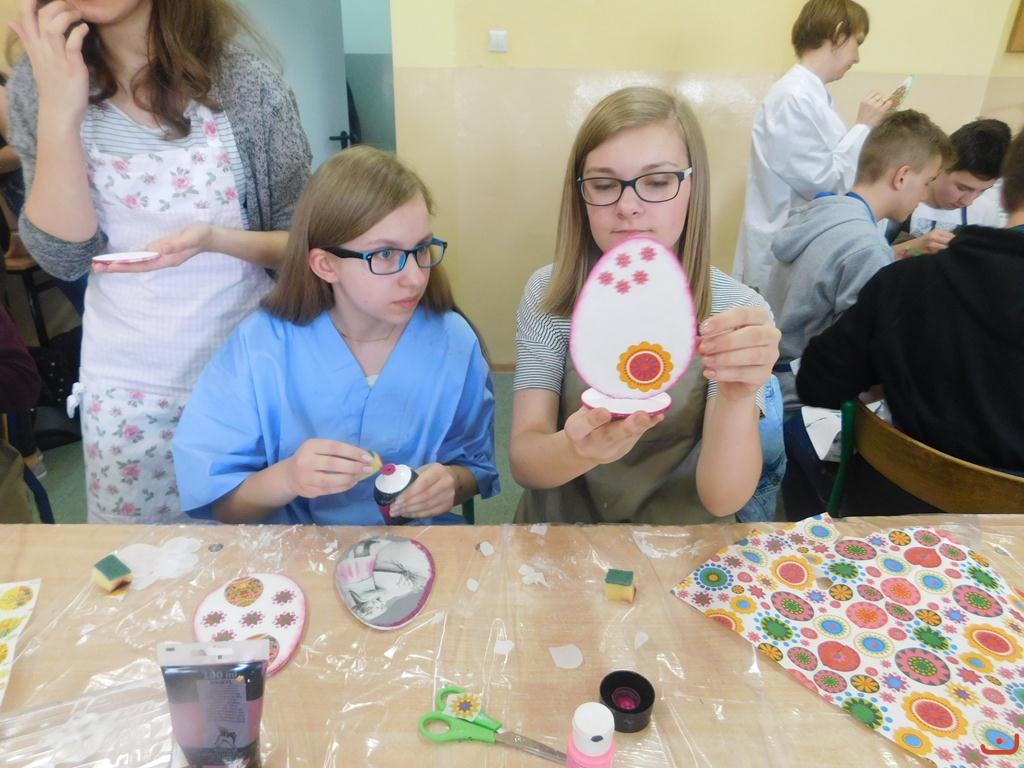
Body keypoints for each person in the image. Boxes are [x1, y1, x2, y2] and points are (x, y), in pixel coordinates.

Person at [7, 0, 311, 523]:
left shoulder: (246, 84)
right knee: (139, 561)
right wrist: (60, 110)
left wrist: (215, 240)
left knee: (254, 555)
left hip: (249, 378)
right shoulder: (38, 84)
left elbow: (302, 246)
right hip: (128, 390)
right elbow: (65, 258)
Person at [172, 146, 499, 525]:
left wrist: (451, 484)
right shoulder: (261, 348)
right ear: (325, 265)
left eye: (422, 249)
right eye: (385, 255)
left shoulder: (452, 341)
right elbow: (224, 506)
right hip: (294, 548)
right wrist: (287, 478)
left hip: (411, 549)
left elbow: (474, 467)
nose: (415, 278)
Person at [510, 86, 781, 525]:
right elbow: (526, 461)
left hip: (679, 538)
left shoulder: (733, 310)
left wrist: (737, 395)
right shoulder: (550, 294)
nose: (628, 206)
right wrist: (576, 450)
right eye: (603, 185)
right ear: (580, 194)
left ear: (693, 187)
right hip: (563, 531)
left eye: (657, 182)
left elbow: (723, 500)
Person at [796, 127, 1024, 495]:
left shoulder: (907, 281)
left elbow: (818, 382)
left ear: (1003, 193)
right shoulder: (881, 255)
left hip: (888, 508)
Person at [764, 109, 952, 413]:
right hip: (799, 404)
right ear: (902, 176)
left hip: (767, 381)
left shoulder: (822, 210)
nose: (924, 195)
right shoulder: (866, 247)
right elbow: (855, 357)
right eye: (927, 182)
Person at [733, 0, 890, 291]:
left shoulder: (813, 96)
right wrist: (863, 126)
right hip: (781, 247)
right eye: (857, 43)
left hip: (795, 243)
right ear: (838, 33)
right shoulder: (793, 97)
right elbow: (823, 183)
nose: (857, 58)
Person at [885, 118, 1012, 257]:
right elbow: (867, 258)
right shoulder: (897, 199)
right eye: (962, 188)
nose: (967, 201)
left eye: (982, 191)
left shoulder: (985, 212)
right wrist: (913, 249)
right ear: (942, 165)